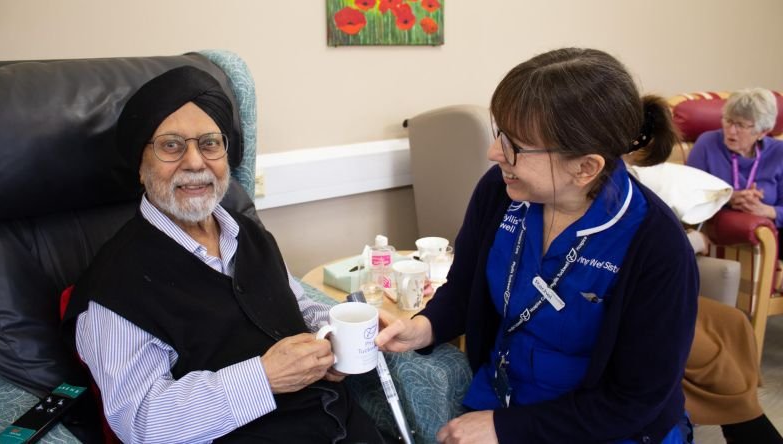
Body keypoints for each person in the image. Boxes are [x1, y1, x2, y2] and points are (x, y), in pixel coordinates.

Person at [376, 48, 698, 443]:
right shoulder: (500, 193)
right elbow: (463, 290)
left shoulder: (656, 246)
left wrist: (505, 428)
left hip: (602, 428)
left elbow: (633, 400)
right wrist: (422, 328)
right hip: (503, 399)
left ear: (585, 168)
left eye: (515, 145)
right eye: (500, 135)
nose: (495, 154)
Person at [62, 66, 383, 443]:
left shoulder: (249, 235)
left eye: (210, 144)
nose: (196, 162)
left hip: (345, 427)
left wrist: (337, 333)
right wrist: (263, 378)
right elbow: (143, 422)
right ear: (140, 165)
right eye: (171, 145)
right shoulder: (114, 287)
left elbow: (296, 308)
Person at [686, 88, 783, 254]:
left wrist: (768, 211)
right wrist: (728, 197)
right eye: (728, 121)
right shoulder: (707, 144)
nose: (731, 131)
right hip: (724, 229)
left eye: (741, 125)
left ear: (762, 132)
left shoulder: (778, 152)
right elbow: (687, 193)